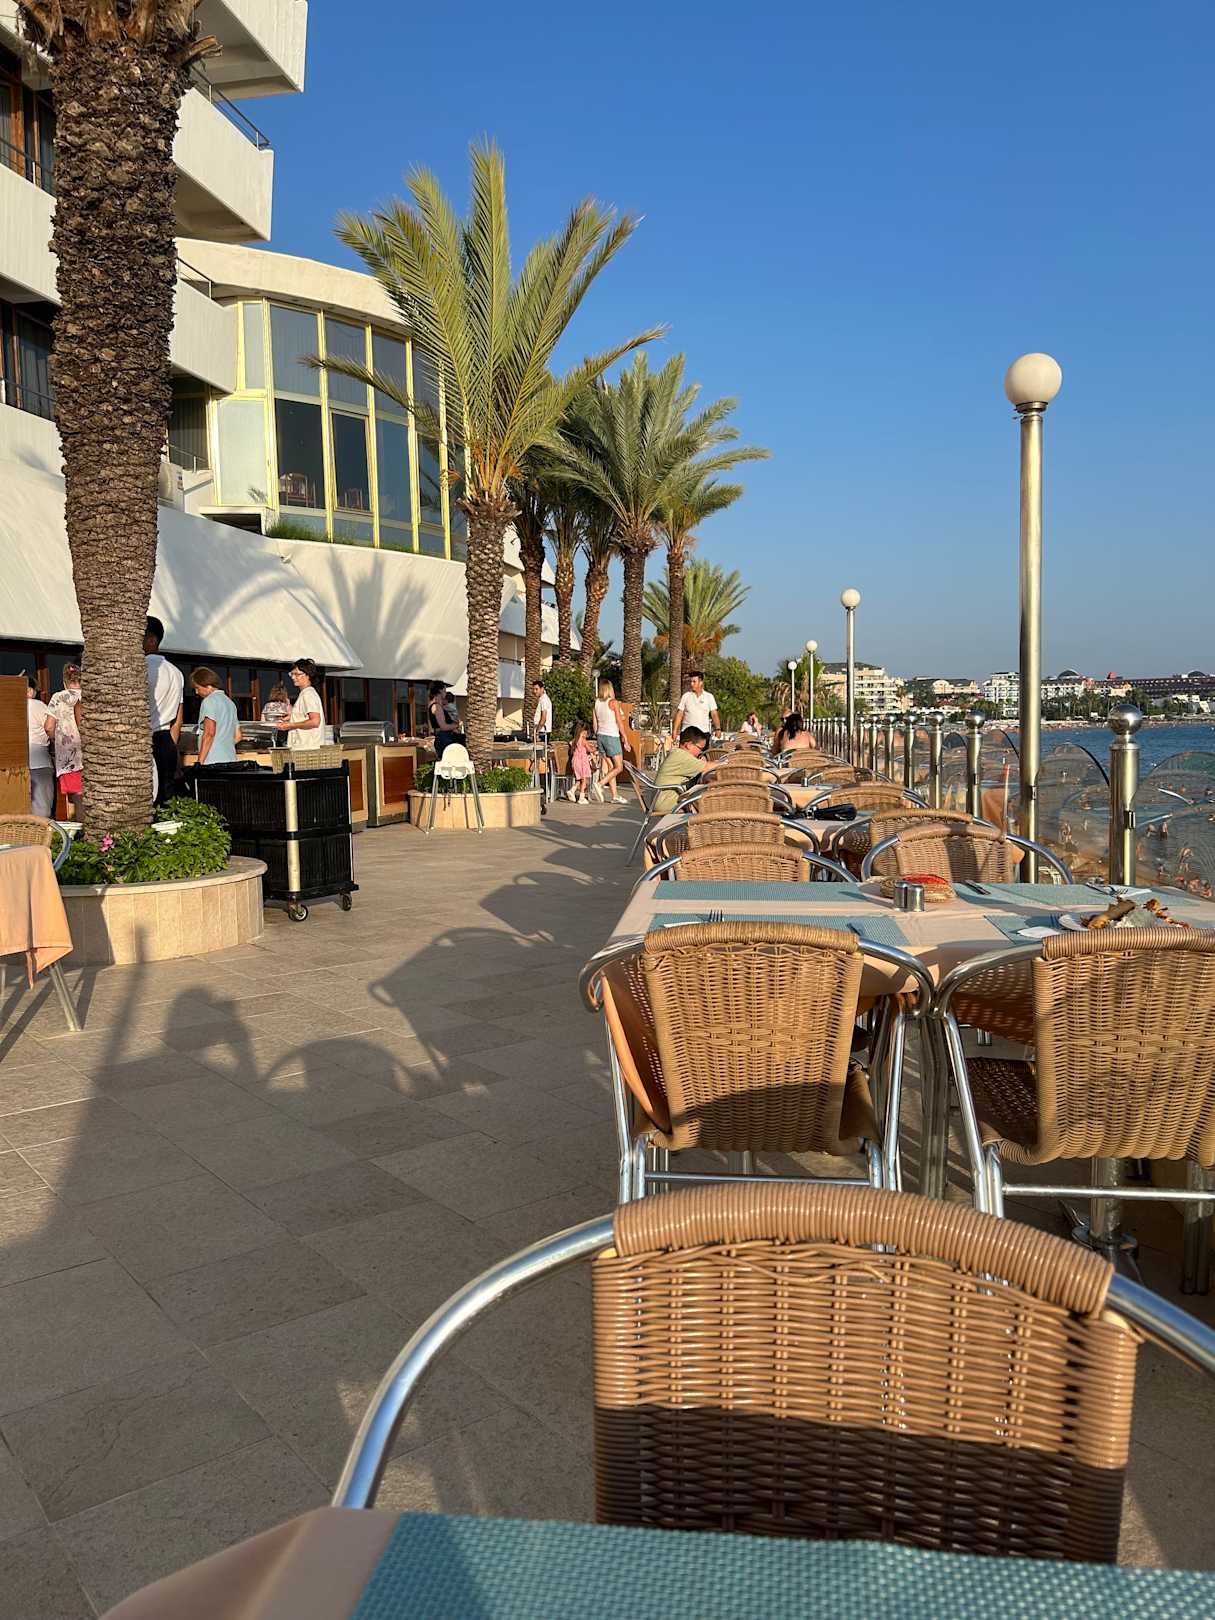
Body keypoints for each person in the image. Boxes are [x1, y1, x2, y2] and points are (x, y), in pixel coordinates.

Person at [145, 616, 184, 806]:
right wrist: (173, 750)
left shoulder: (139, 668)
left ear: (152, 640)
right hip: (166, 738)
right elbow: (178, 719)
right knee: (166, 798)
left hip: (144, 738)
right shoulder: (176, 672)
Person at [47, 663, 83, 817]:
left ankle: (81, 828)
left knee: (77, 798)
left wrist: (56, 740)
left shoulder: (58, 697)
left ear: (64, 682)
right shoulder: (89, 696)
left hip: (69, 757)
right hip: (93, 754)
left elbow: (49, 726)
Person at [651, 725, 710, 815]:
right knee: (708, 802)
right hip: (666, 803)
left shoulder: (677, 753)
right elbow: (707, 767)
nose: (701, 752)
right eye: (700, 748)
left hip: (661, 800)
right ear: (689, 745)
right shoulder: (682, 756)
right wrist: (726, 762)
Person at [191, 668, 242, 766]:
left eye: (197, 688)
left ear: (208, 685)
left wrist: (199, 762)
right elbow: (238, 736)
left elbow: (209, 733)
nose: (197, 692)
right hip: (230, 758)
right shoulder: (230, 703)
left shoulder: (209, 701)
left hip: (212, 760)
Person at [279, 659, 325, 751]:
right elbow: (306, 717)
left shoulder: (308, 694)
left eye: (297, 674)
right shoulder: (305, 693)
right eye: (292, 674)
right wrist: (291, 717)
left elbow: (315, 721)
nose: (293, 677)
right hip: (305, 748)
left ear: (308, 675)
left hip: (306, 749)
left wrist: (290, 725)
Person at [593, 678, 625, 803]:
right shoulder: (613, 703)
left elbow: (595, 724)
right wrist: (625, 737)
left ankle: (615, 795)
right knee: (619, 767)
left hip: (600, 736)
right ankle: (600, 784)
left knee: (611, 767)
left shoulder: (596, 703)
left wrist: (598, 737)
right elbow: (620, 722)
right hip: (611, 736)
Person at [25, 677, 54, 816]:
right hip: (39, 761)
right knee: (42, 808)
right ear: (29, 691)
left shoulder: (8, 706)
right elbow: (50, 727)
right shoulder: (37, 705)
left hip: (16, 764)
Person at [674, 671, 721, 740]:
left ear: (701, 682)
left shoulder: (709, 697)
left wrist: (718, 729)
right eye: (690, 682)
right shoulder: (686, 696)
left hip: (704, 733)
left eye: (694, 682)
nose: (691, 684)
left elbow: (714, 714)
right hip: (687, 733)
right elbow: (679, 714)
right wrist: (675, 730)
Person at [427, 681, 462, 758]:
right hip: (444, 738)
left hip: (443, 737)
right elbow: (443, 726)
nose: (445, 693)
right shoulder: (436, 706)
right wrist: (456, 725)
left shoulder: (437, 705)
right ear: (440, 691)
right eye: (444, 690)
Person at [569, 720, 596, 803]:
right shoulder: (583, 741)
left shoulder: (574, 740)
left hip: (575, 761)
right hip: (582, 762)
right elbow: (590, 749)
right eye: (585, 732)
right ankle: (581, 797)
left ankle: (572, 790)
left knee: (579, 779)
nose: (586, 734)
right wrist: (594, 749)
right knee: (584, 779)